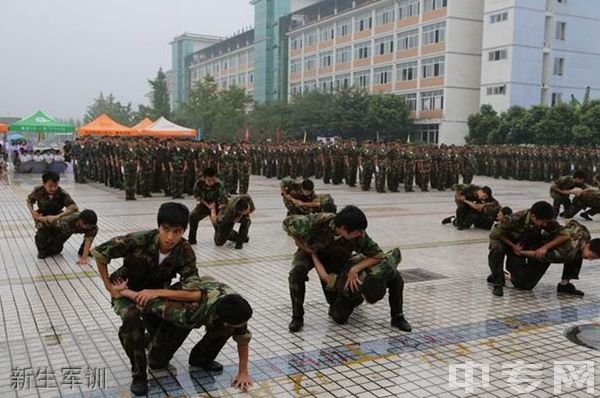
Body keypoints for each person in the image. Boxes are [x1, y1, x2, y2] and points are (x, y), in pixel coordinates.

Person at [91, 203, 202, 395]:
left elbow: (194, 292)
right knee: (132, 319)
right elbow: (100, 253)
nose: (170, 237)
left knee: (186, 311)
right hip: (125, 288)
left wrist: (158, 293)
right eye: (165, 230)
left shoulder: (184, 251)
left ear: (184, 231)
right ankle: (139, 374)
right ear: (158, 227)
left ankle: (155, 341)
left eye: (177, 231)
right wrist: (109, 287)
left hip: (157, 292)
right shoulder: (138, 240)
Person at [113, 276, 254, 392]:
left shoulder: (237, 310)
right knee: (157, 363)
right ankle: (151, 336)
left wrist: (243, 372)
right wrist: (124, 292)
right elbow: (150, 301)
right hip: (178, 304)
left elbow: (243, 338)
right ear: (224, 320)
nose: (241, 325)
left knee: (227, 331)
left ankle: (201, 359)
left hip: (212, 302)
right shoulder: (187, 311)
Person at [283, 206, 385, 332]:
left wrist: (355, 269)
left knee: (336, 309)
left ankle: (349, 301)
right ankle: (297, 317)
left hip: (334, 259)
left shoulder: (359, 236)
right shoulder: (319, 221)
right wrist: (300, 243)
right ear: (343, 229)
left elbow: (378, 255)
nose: (361, 234)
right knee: (296, 273)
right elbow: (287, 223)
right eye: (358, 231)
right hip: (309, 253)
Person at [311, 247, 412, 331]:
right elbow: (325, 277)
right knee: (339, 317)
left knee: (397, 279)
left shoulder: (386, 268)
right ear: (362, 292)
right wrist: (313, 255)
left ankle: (397, 317)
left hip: (369, 267)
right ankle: (336, 304)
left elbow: (396, 252)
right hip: (348, 268)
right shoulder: (347, 282)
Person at [487, 201, 570, 297]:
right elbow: (495, 233)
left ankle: (504, 275)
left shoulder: (546, 220)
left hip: (520, 246)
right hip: (504, 240)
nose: (546, 225)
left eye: (547, 222)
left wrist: (545, 247)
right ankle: (498, 283)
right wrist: (513, 246)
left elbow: (565, 234)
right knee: (497, 248)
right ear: (534, 216)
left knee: (523, 285)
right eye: (544, 222)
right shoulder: (515, 218)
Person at [505, 220, 600, 295]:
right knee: (525, 285)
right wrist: (520, 252)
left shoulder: (585, 235)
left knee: (579, 254)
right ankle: (505, 274)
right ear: (588, 245)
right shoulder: (566, 252)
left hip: (551, 242)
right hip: (538, 244)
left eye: (594, 258)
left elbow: (572, 222)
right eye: (591, 256)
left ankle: (564, 284)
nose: (590, 259)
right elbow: (539, 255)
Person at [27, 171, 79, 256]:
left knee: (57, 247)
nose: (53, 188)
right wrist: (32, 212)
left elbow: (73, 207)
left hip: (57, 216)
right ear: (44, 183)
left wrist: (58, 216)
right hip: (42, 215)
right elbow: (30, 200)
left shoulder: (62, 193)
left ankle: (53, 247)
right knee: (42, 233)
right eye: (50, 186)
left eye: (56, 185)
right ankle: (42, 250)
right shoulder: (38, 190)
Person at [188, 167, 228, 244]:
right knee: (192, 216)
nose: (212, 182)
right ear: (204, 178)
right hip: (205, 204)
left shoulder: (219, 184)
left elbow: (223, 200)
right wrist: (208, 205)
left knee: (220, 237)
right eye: (209, 180)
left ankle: (236, 236)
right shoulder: (199, 183)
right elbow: (197, 196)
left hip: (217, 206)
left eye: (213, 180)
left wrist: (216, 213)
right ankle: (192, 239)